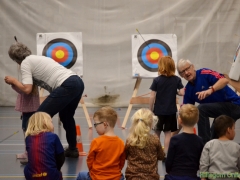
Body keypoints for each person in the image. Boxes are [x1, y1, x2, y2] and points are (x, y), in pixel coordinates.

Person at [4, 41, 84, 158]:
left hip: (67, 84)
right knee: (66, 117)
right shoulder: (37, 59)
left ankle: (37, 153)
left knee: (39, 117)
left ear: (15, 59)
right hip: (77, 82)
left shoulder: (25, 63)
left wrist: (14, 81)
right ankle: (72, 149)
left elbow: (27, 89)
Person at [177, 59, 240, 144]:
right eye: (183, 72)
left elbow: (224, 80)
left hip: (234, 105)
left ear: (193, 67)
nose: (186, 73)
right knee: (213, 139)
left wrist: (210, 90)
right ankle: (208, 150)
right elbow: (184, 113)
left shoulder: (204, 73)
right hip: (221, 115)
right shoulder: (188, 90)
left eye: (187, 69)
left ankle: (204, 146)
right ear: (181, 75)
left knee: (201, 109)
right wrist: (173, 136)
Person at [76, 106, 125, 180]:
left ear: (105, 124)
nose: (95, 127)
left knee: (81, 175)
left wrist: (94, 173)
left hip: (97, 177)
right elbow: (122, 162)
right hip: (115, 177)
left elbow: (90, 161)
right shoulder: (121, 143)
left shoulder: (96, 141)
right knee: (122, 177)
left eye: (96, 124)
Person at [149, 56, 184, 155]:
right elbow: (182, 92)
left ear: (161, 66)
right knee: (168, 133)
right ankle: (166, 153)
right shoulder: (176, 79)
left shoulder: (157, 80)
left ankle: (155, 153)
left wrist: (150, 110)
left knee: (156, 133)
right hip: (171, 111)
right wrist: (176, 92)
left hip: (158, 111)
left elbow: (152, 96)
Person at [165, 104, 204, 180]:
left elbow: (169, 162)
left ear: (180, 120)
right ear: (197, 120)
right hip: (191, 176)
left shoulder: (175, 139)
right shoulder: (199, 140)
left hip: (175, 176)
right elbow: (200, 162)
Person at [125, 108, 165, 180]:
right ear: (151, 123)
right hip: (151, 177)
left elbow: (125, 155)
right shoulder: (155, 139)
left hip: (133, 177)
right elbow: (161, 156)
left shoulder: (130, 140)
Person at [24, 112, 65, 180]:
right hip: (51, 176)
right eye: (51, 122)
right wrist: (57, 168)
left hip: (32, 176)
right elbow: (61, 157)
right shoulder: (53, 137)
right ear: (45, 123)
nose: (53, 125)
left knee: (26, 168)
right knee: (56, 172)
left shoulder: (28, 139)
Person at [199, 115, 240, 180]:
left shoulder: (209, 144)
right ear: (228, 130)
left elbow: (204, 164)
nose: (234, 131)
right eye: (233, 129)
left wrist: (203, 178)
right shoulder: (237, 147)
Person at [12, 83, 40, 159]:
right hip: (31, 111)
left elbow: (23, 91)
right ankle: (33, 152)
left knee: (28, 134)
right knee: (32, 133)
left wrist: (13, 83)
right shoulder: (33, 85)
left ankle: (28, 153)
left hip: (28, 112)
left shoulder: (29, 86)